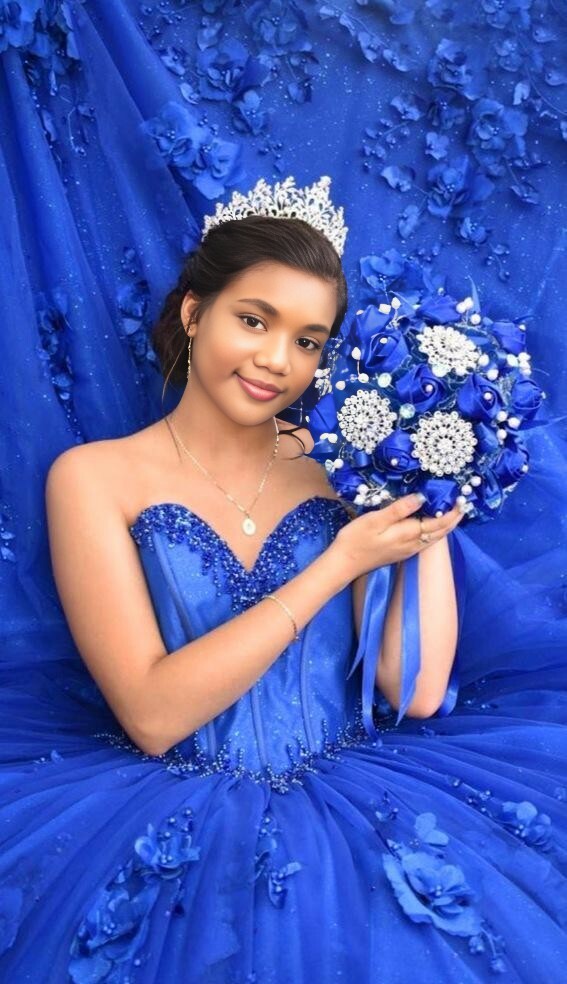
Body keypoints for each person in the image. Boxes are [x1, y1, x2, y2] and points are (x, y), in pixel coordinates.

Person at [1, 177, 566, 983]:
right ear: (194, 313)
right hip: (169, 806)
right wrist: (339, 563)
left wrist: (425, 486)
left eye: (307, 341)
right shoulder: (92, 478)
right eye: (253, 320)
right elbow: (153, 717)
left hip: (359, 794)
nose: (276, 361)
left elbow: (412, 691)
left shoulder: (342, 465)